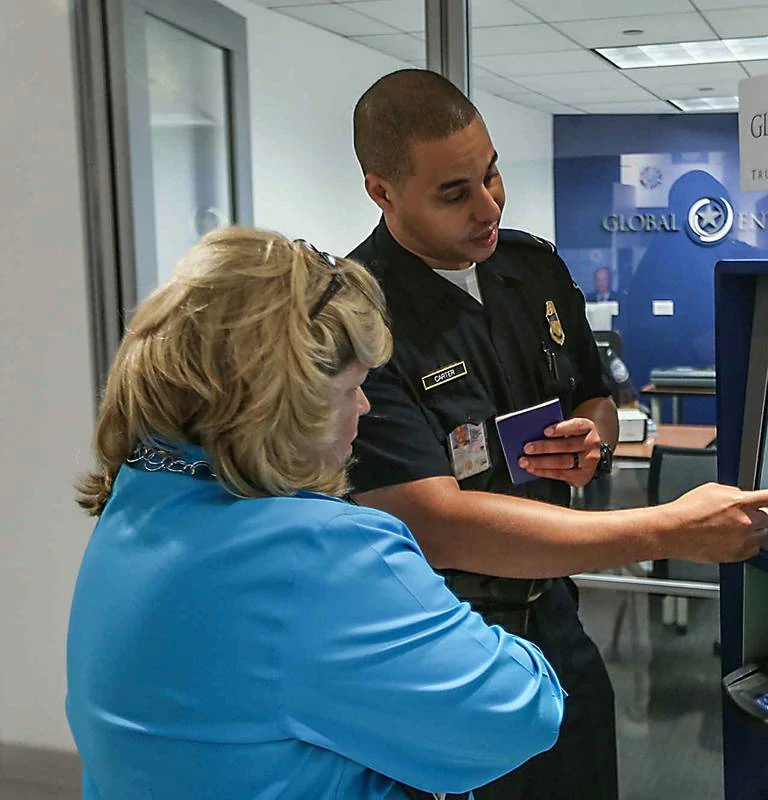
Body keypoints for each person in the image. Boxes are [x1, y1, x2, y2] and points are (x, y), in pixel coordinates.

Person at [346, 69, 768, 800]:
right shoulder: (358, 318)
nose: (488, 205)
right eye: (454, 192)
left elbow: (593, 395)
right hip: (437, 637)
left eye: (492, 174)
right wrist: (665, 530)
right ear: (382, 191)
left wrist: (589, 440)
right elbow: (435, 524)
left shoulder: (530, 269)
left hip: (554, 615)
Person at [66, 228, 564, 800]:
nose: (365, 405)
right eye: (353, 385)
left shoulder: (136, 493)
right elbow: (520, 714)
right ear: (288, 401)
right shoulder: (315, 552)